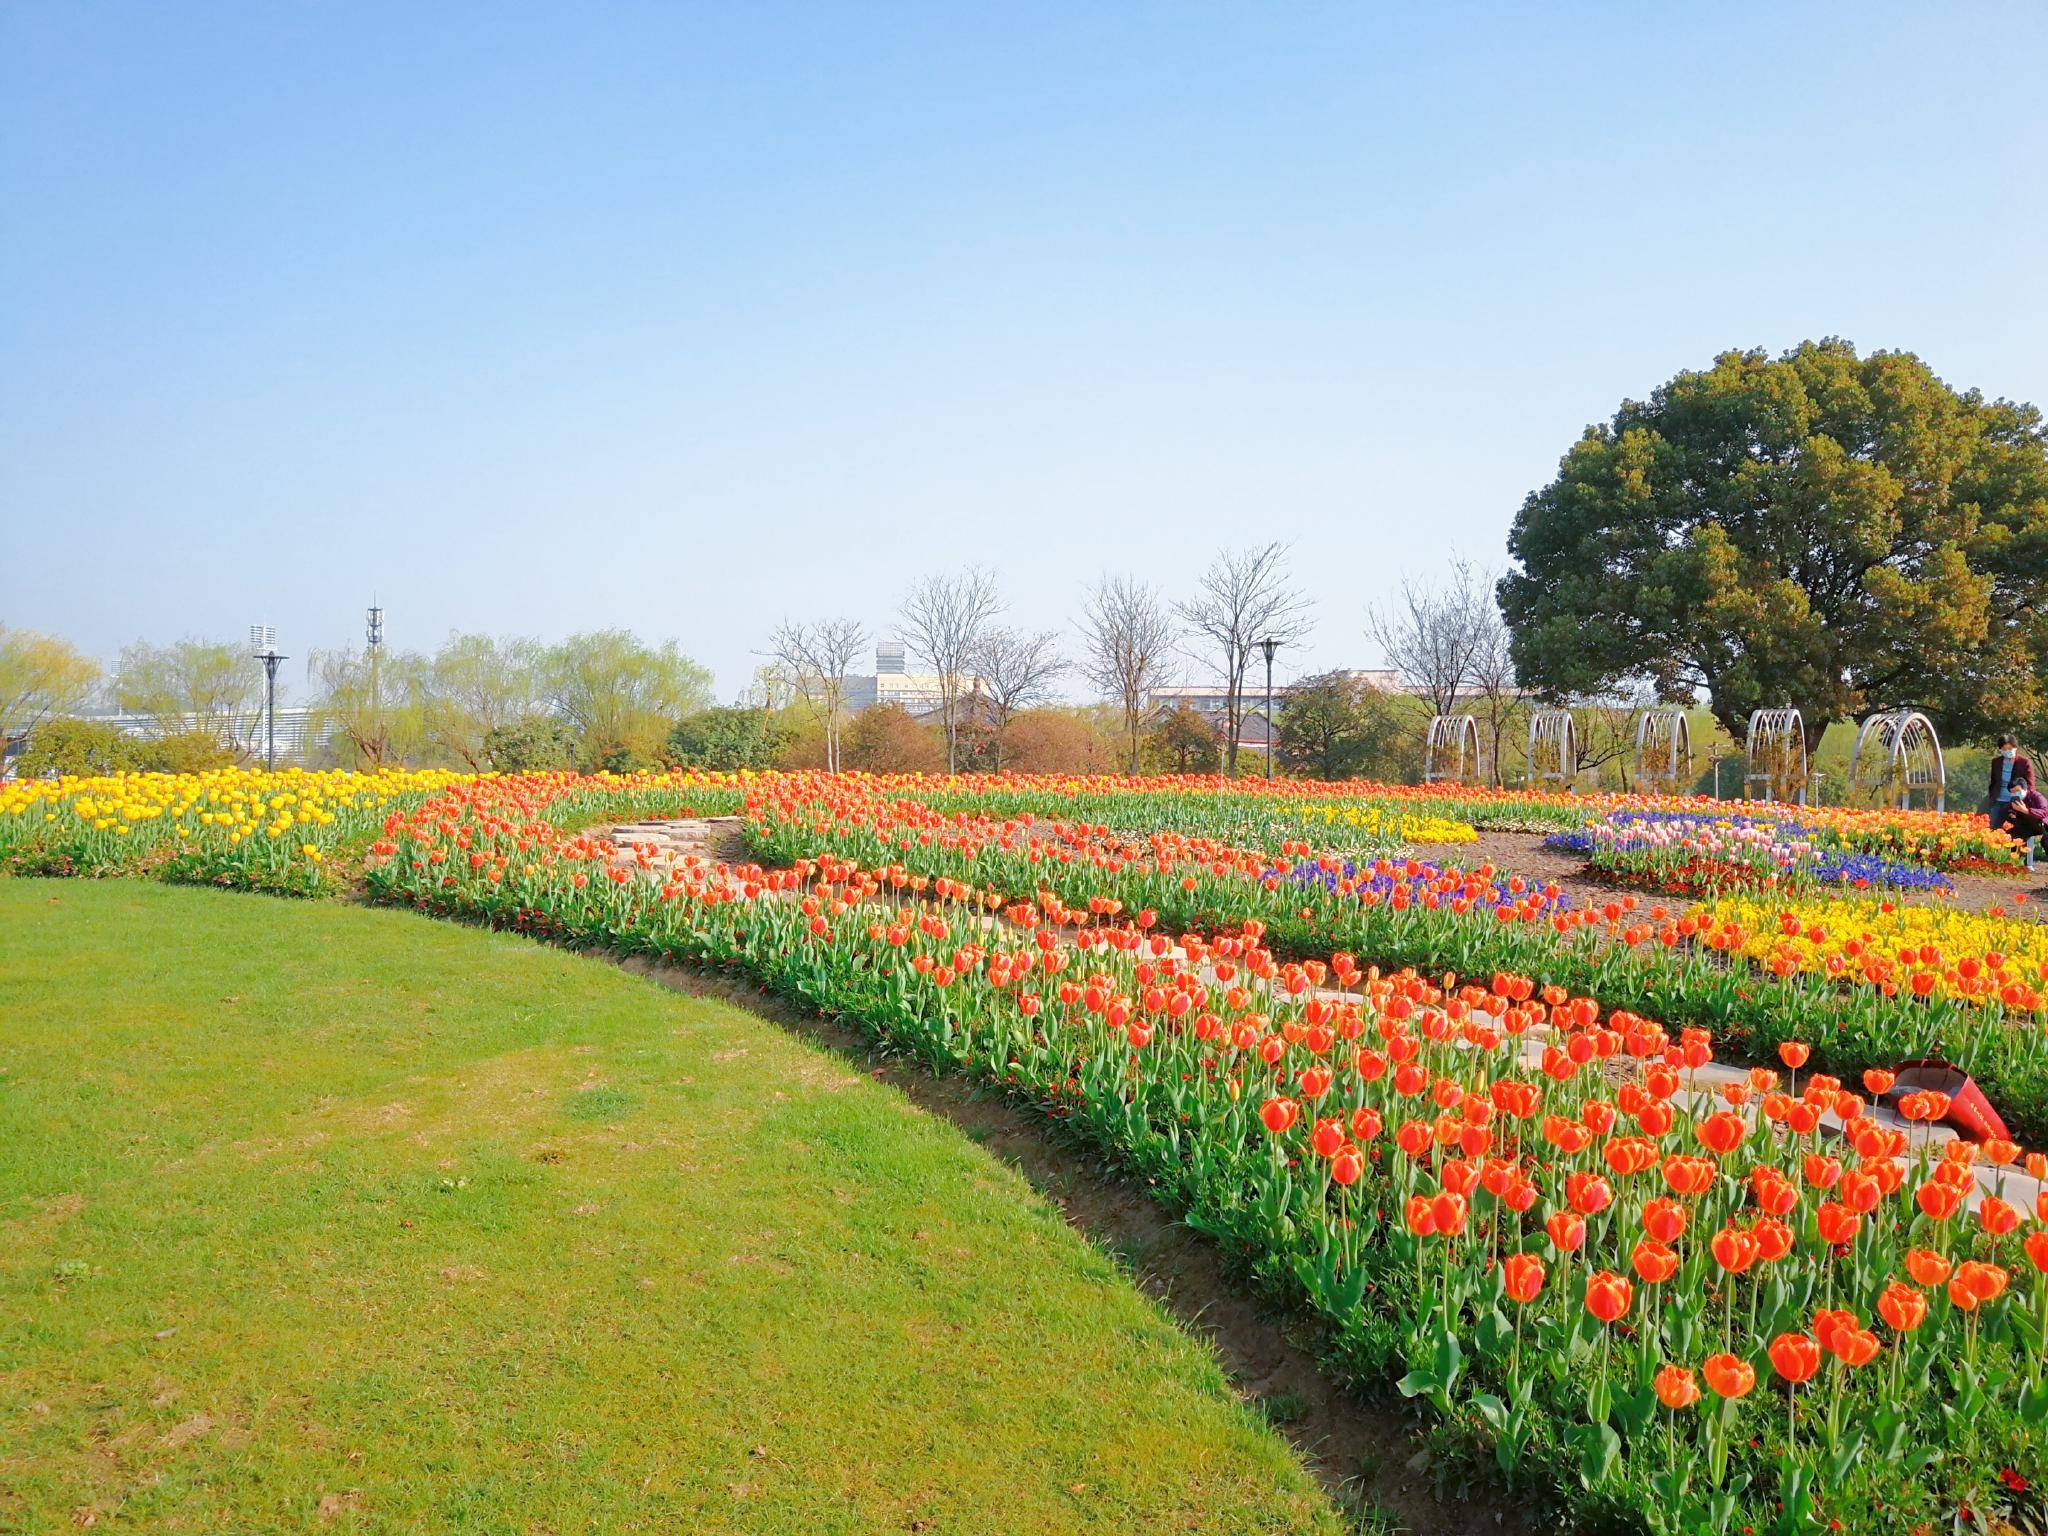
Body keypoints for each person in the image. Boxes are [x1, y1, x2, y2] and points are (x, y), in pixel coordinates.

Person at [1987, 736, 2035, 833]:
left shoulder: (2024, 762)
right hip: (1998, 801)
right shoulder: (1996, 762)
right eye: (2004, 749)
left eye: (2010, 748)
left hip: (2015, 803)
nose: (2007, 751)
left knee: (2013, 832)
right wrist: (1992, 796)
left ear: (2015, 748)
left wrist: (2025, 800)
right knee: (1994, 830)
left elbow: (2030, 785)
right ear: (2000, 749)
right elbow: (1994, 781)